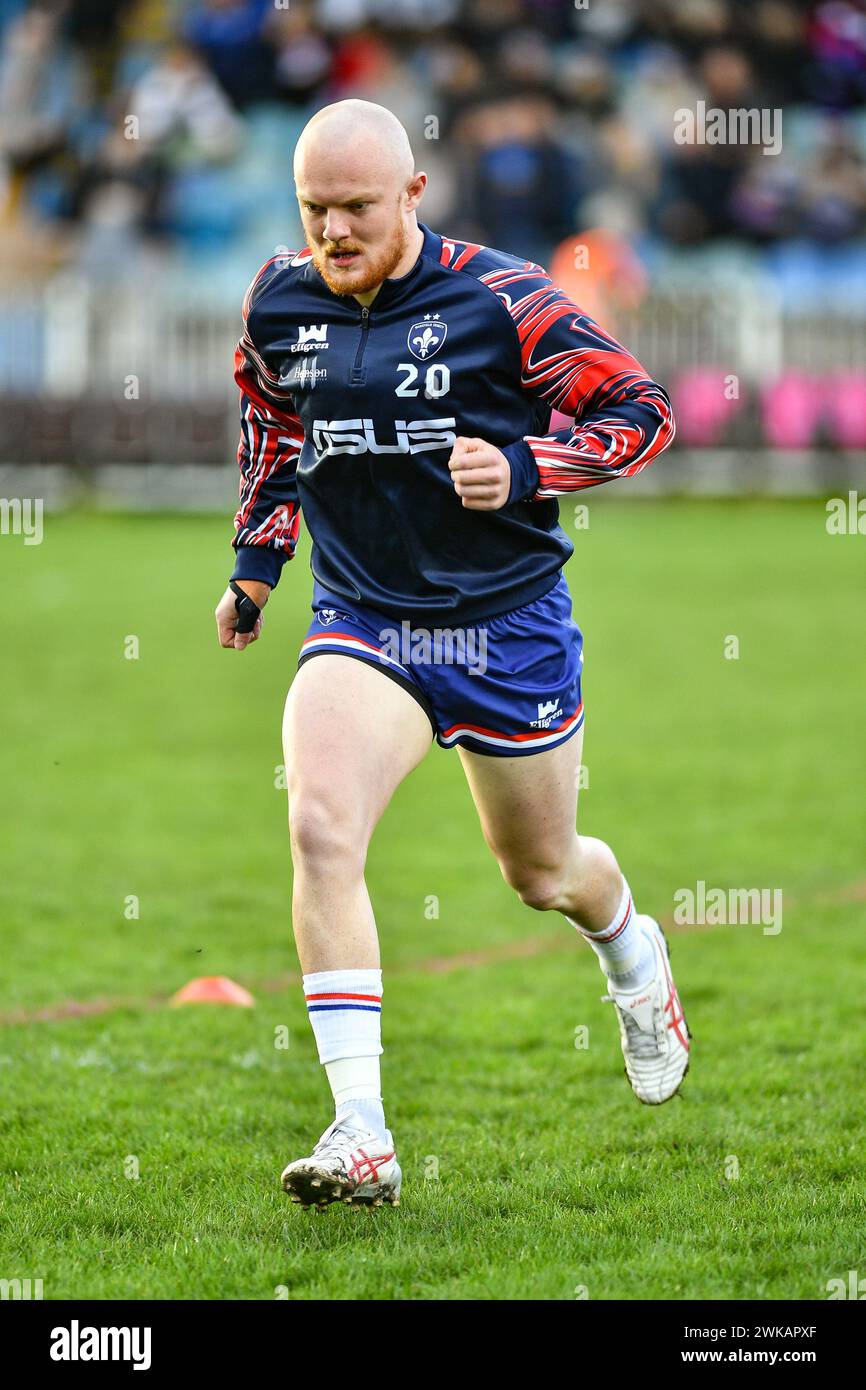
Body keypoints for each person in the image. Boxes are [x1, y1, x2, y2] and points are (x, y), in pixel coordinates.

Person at [214, 99, 689, 1211]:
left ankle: (630, 951)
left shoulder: (503, 298)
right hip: (364, 618)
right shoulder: (279, 301)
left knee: (542, 874)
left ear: (414, 196)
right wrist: (254, 566)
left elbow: (643, 411)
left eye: (357, 209)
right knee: (319, 825)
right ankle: (361, 1132)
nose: (332, 232)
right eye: (314, 210)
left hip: (503, 626)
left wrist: (525, 469)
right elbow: (276, 429)